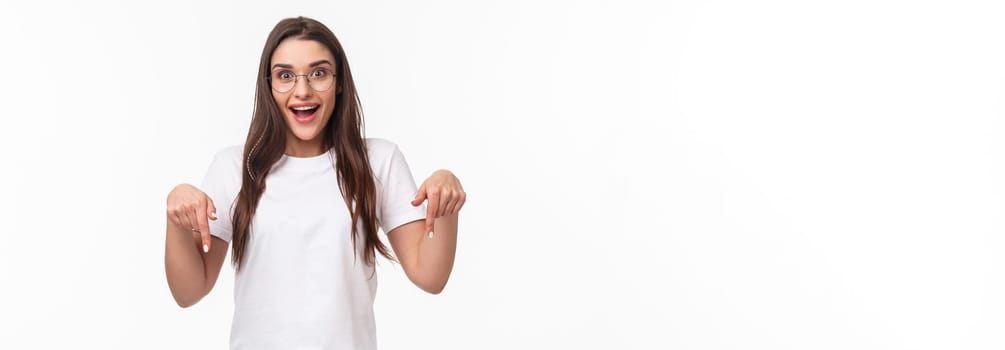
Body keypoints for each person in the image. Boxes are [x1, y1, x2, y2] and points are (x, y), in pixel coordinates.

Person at [163, 16, 465, 349]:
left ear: (338, 82)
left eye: (318, 73)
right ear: (268, 85)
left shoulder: (378, 161)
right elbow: (189, 292)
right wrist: (176, 219)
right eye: (285, 76)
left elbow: (430, 276)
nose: (302, 90)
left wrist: (445, 202)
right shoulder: (235, 167)